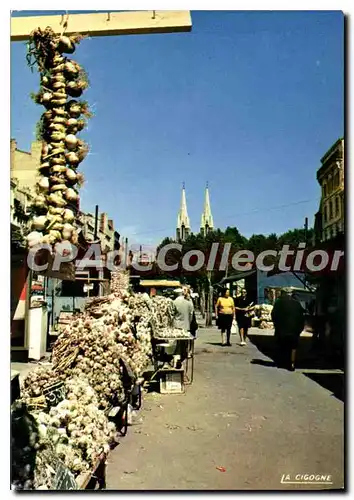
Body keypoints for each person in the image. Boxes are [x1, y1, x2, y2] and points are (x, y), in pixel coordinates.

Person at [271, 288, 305, 371]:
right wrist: (300, 328)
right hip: (294, 329)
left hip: (282, 329)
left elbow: (273, 315)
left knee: (282, 345)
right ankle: (292, 363)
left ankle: (282, 362)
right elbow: (302, 316)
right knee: (293, 347)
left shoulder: (278, 303)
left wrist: (276, 325)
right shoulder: (297, 304)